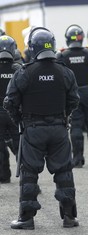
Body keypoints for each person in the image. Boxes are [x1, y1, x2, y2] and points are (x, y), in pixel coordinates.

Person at [3, 27, 80, 230]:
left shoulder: (24, 72)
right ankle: (69, 217)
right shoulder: (65, 72)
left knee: (29, 173)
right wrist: (64, 116)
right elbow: (74, 100)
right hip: (59, 129)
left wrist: (20, 119)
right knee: (64, 172)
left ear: (32, 48)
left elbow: (10, 102)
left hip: (32, 128)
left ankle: (26, 219)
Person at [56, 24, 88, 168]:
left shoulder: (62, 55)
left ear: (67, 39)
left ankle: (77, 159)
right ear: (82, 38)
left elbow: (58, 79)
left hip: (72, 95)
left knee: (76, 126)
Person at [0, 35, 21, 184]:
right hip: (15, 114)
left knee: (0, 147)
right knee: (20, 146)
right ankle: (27, 178)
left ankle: (4, 175)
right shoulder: (19, 69)